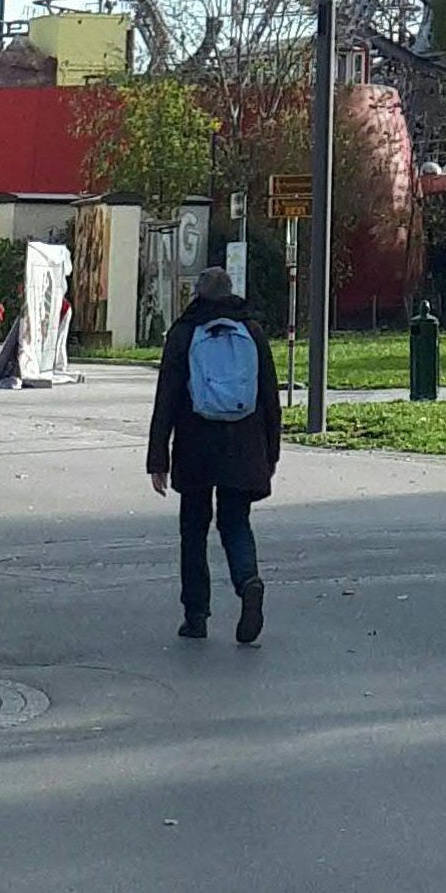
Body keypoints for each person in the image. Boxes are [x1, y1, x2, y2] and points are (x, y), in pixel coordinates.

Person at [146, 267, 281, 643]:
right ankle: (248, 581)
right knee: (236, 522)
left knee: (193, 530)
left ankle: (196, 615)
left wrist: (158, 459)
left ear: (199, 294)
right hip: (244, 445)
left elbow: (167, 399)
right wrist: (271, 452)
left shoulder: (184, 334)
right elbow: (269, 396)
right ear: (231, 291)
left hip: (195, 446)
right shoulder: (252, 332)